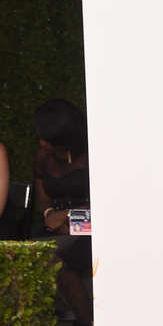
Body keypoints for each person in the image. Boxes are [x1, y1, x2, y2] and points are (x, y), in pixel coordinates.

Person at [33, 99, 93, 326]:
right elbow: (42, 196)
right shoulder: (43, 157)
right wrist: (49, 212)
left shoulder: (92, 153)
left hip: (91, 226)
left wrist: (69, 215)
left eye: (47, 139)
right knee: (36, 252)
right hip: (54, 228)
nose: (41, 143)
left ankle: (88, 320)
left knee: (54, 259)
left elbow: (107, 198)